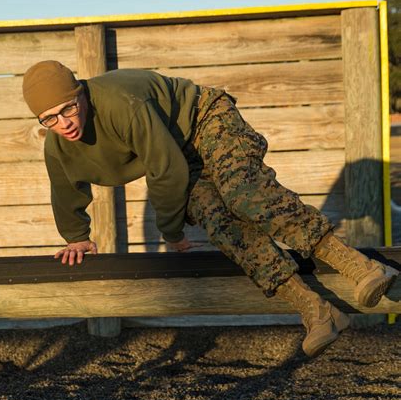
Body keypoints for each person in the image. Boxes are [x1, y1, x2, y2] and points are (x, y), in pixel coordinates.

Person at [22, 61, 397, 358]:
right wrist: (77, 238)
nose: (64, 122)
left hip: (203, 121)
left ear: (81, 93)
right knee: (222, 225)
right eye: (49, 118)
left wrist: (171, 232)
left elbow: (165, 169)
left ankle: (359, 266)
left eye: (68, 107)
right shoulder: (58, 146)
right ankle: (318, 312)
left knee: (244, 193)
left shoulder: (121, 104)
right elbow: (65, 188)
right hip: (179, 154)